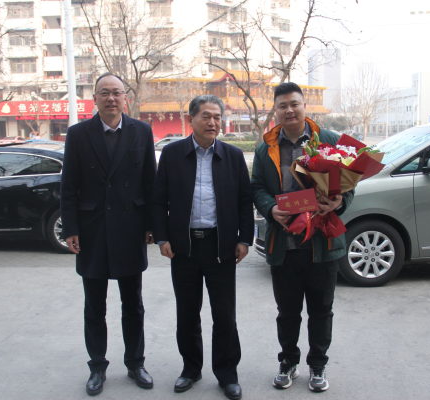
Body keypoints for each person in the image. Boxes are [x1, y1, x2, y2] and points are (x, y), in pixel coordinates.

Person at [250, 83, 354, 393]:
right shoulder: (266, 148)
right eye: (282, 105)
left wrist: (338, 202)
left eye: (294, 104)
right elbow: (257, 187)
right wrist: (271, 209)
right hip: (285, 244)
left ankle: (318, 365)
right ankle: (288, 362)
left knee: (321, 310)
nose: (289, 110)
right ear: (276, 110)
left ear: (304, 106)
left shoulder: (330, 141)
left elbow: (350, 186)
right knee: (287, 312)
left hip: (322, 244)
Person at [60, 73, 157, 396]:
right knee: (94, 307)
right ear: (95, 98)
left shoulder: (141, 131)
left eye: (116, 92)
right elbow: (69, 186)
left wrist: (152, 225)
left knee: (133, 304)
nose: (111, 98)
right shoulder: (78, 134)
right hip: (93, 230)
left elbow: (150, 182)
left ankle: (135, 363)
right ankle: (97, 367)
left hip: (130, 228)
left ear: (125, 97)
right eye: (104, 93)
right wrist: (71, 228)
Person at [152, 95, 253, 400]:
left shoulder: (233, 156)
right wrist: (162, 237)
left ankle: (227, 374)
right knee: (187, 312)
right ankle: (191, 369)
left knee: (224, 314)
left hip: (221, 246)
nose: (212, 122)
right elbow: (158, 200)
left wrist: (244, 239)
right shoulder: (172, 154)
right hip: (184, 247)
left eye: (217, 117)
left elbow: (244, 201)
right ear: (191, 119)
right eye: (206, 116)